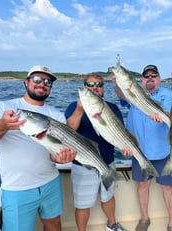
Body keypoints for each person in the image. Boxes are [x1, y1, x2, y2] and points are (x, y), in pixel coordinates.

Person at [0, 65, 77, 231]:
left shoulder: (56, 115)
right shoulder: (4, 108)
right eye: (37, 79)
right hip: (17, 188)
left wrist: (58, 157)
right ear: (26, 82)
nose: (42, 84)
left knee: (54, 225)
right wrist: (2, 125)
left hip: (50, 181)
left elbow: (53, 151)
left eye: (47, 82)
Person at [115, 65, 172, 231]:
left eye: (153, 75)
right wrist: (117, 81)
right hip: (139, 151)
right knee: (143, 186)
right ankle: (144, 218)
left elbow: (171, 113)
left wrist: (163, 116)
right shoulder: (134, 93)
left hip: (162, 150)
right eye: (146, 76)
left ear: (159, 78)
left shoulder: (167, 94)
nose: (150, 78)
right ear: (142, 80)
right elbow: (121, 95)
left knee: (167, 187)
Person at [65, 73, 127, 231]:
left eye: (98, 85)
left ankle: (112, 225)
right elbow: (68, 131)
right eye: (90, 85)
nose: (94, 88)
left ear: (103, 89)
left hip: (108, 161)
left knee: (109, 197)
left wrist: (124, 146)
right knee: (82, 204)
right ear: (85, 87)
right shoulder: (74, 106)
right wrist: (79, 111)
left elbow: (119, 133)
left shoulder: (112, 108)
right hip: (83, 163)